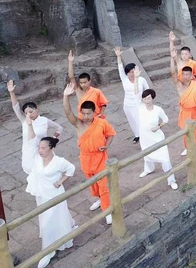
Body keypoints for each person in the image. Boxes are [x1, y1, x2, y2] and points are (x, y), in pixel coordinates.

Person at [63, 83, 116, 224]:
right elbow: (68, 113)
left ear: (95, 112)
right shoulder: (79, 124)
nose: (86, 116)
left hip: (100, 159)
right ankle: (100, 200)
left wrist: (106, 146)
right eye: (83, 113)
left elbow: (110, 134)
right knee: (94, 185)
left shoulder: (102, 123)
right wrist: (65, 96)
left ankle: (107, 209)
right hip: (86, 160)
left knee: (104, 185)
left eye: (89, 113)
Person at [25, 136, 77, 268]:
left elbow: (71, 169)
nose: (40, 150)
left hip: (54, 195)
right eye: (39, 147)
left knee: (49, 221)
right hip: (41, 194)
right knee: (46, 217)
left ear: (52, 148)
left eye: (43, 148)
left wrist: (61, 181)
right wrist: (29, 123)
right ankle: (70, 226)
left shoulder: (59, 162)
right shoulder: (37, 158)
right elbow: (30, 141)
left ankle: (48, 251)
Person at [7, 79, 63, 174]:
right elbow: (16, 107)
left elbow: (59, 128)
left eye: (31, 111)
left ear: (36, 109)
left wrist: (53, 139)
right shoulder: (24, 120)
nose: (29, 114)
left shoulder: (44, 121)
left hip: (42, 150)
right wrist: (12, 92)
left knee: (45, 171)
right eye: (26, 113)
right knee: (32, 172)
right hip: (29, 152)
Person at [170, 51, 196, 167]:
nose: (186, 76)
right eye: (184, 74)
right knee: (186, 135)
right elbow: (172, 72)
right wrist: (172, 59)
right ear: (182, 75)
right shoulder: (179, 86)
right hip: (185, 114)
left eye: (188, 74)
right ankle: (187, 148)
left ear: (192, 75)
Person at [135, 85, 178, 189]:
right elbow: (136, 92)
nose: (146, 100)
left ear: (152, 98)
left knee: (165, 159)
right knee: (147, 155)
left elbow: (166, 119)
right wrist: (136, 78)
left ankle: (171, 180)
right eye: (144, 98)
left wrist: (158, 126)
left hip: (157, 137)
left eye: (148, 98)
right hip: (145, 137)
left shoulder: (158, 109)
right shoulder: (140, 107)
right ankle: (148, 169)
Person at [114, 47, 149, 143]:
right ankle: (137, 135)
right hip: (128, 104)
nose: (131, 74)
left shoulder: (141, 79)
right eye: (129, 72)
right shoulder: (125, 79)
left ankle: (145, 134)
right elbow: (120, 68)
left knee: (141, 119)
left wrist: (147, 101)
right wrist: (119, 56)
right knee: (132, 120)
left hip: (140, 103)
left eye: (133, 71)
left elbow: (147, 90)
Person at [68, 50, 109, 120]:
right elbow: (71, 77)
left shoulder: (96, 91)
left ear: (89, 81)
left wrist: (101, 114)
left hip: (96, 118)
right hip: (83, 118)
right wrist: (70, 61)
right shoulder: (78, 90)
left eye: (84, 82)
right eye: (81, 83)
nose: (83, 85)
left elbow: (103, 104)